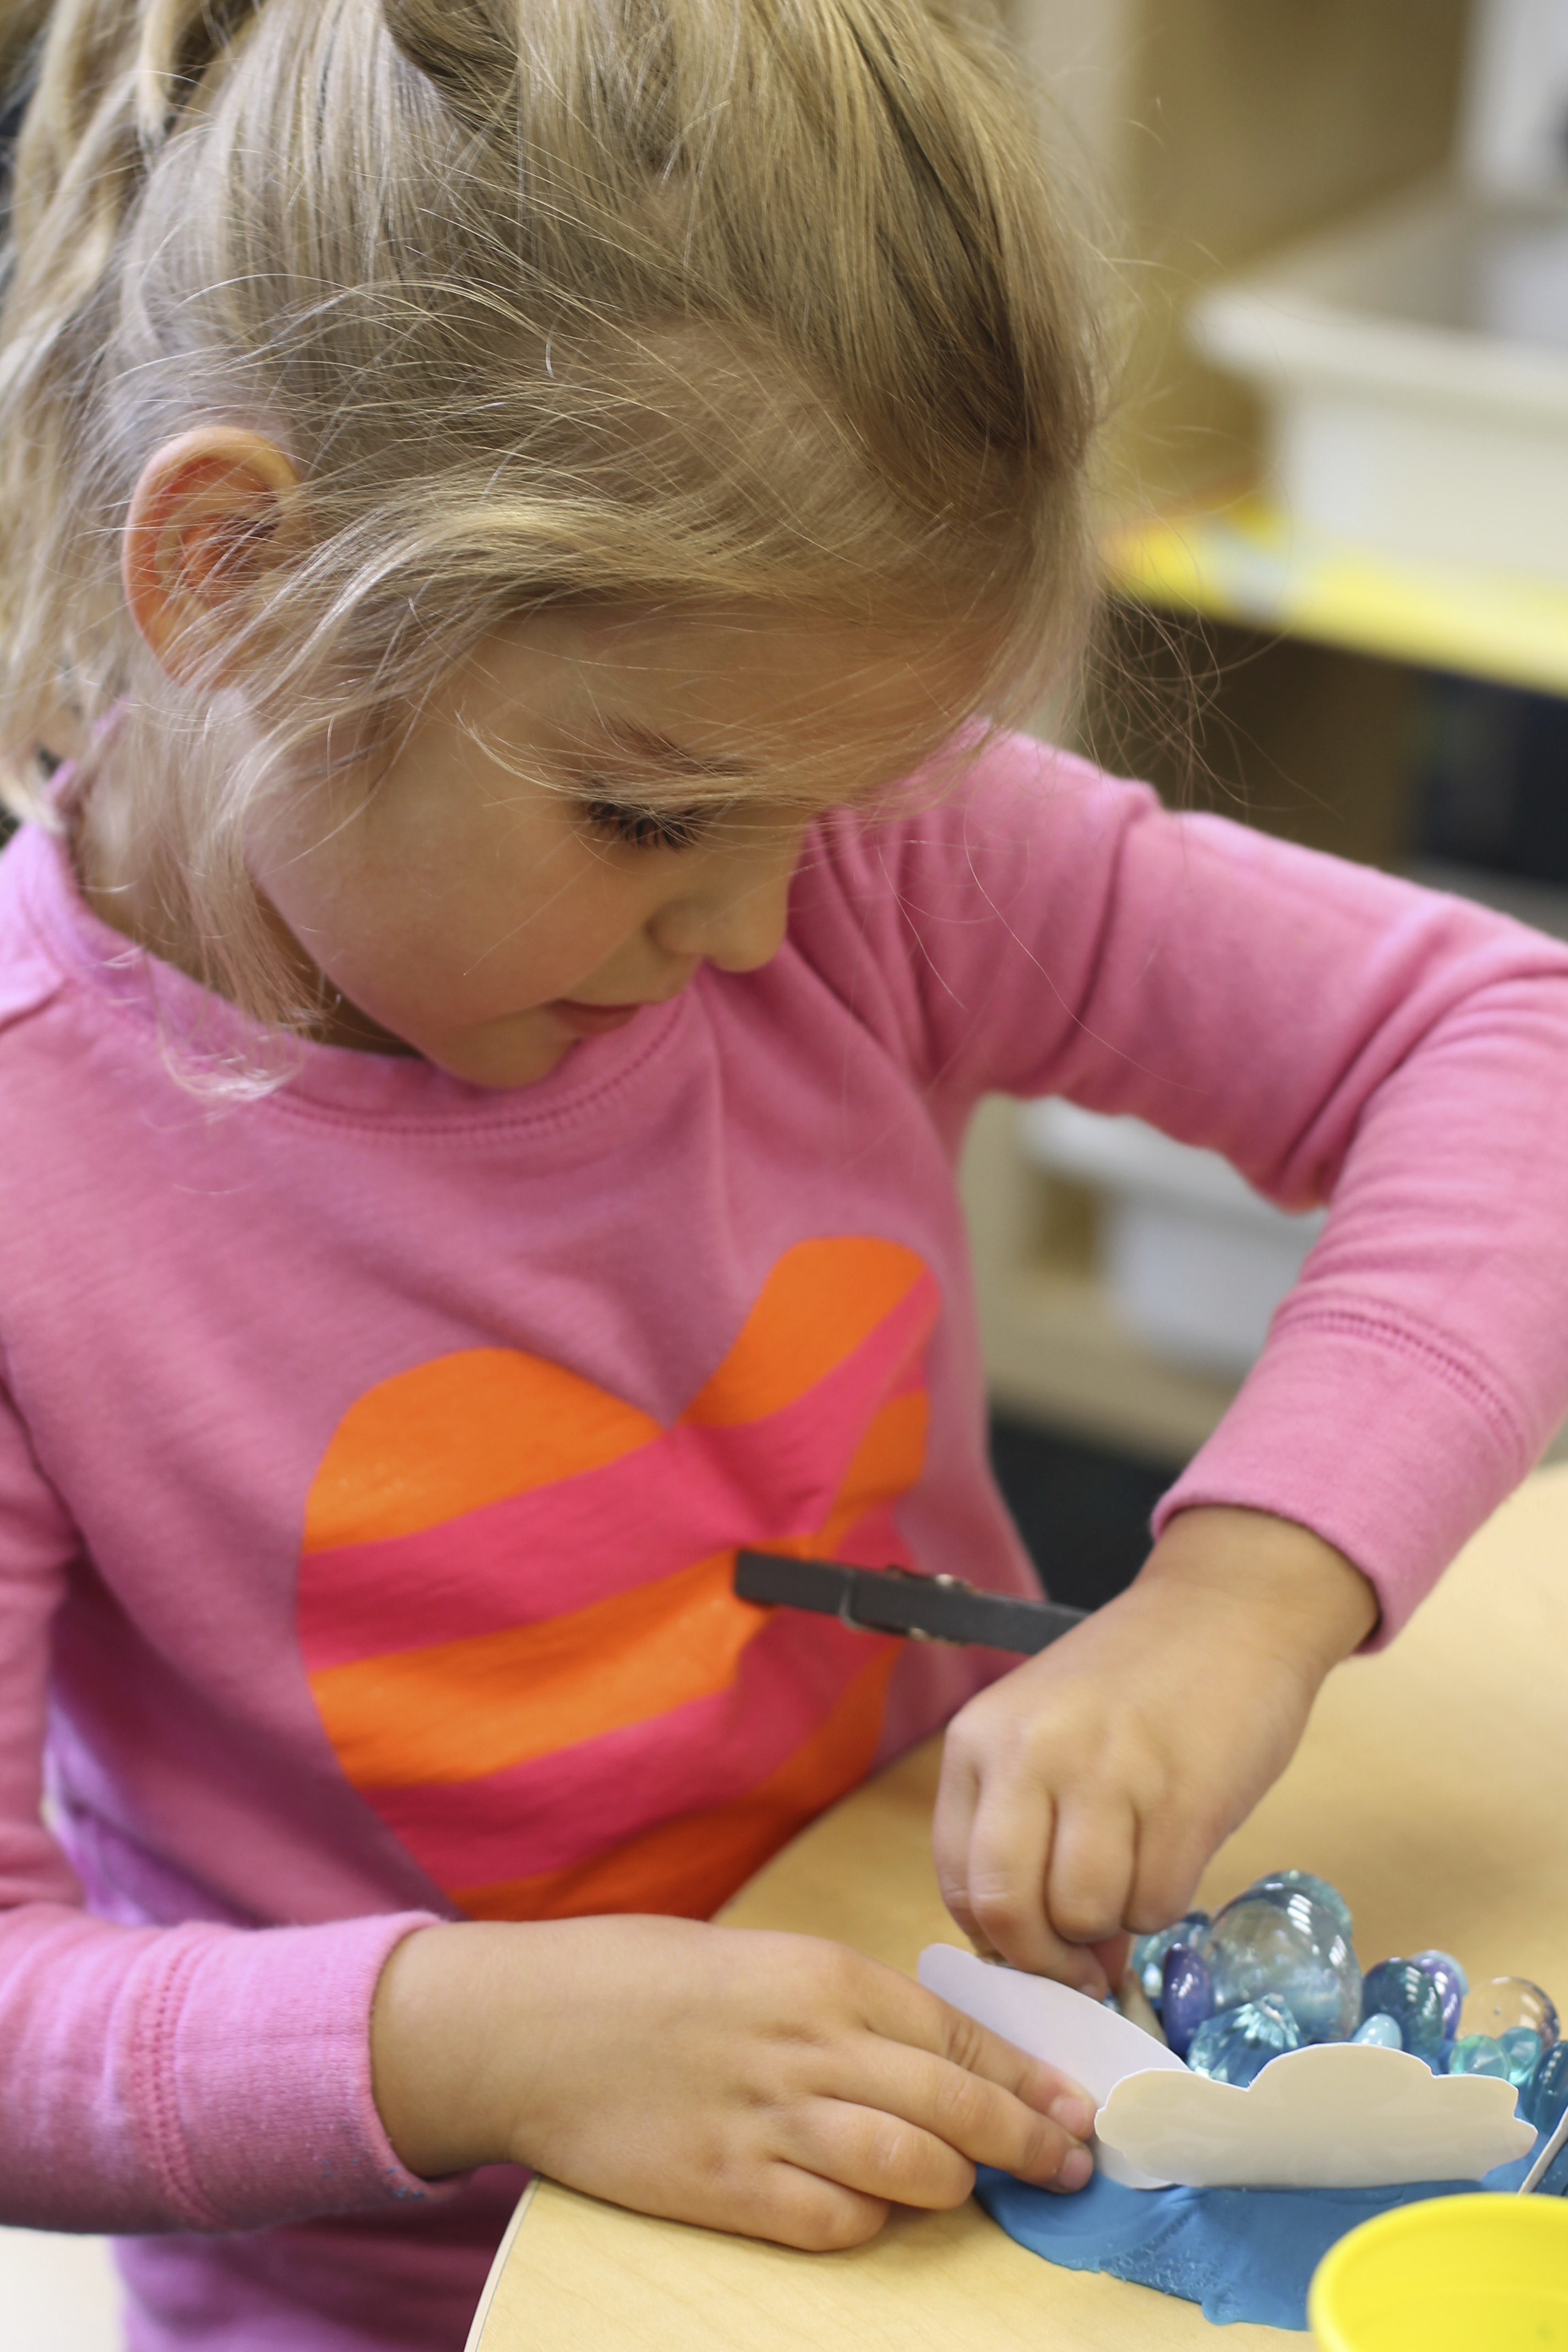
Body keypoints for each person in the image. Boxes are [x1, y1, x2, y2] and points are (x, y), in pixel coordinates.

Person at [0, 0, 1565, 2344]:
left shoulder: (847, 851)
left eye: (821, 808)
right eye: (649, 818)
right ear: (230, 576)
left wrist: (1244, 1597)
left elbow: (1507, 1039)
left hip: (963, 2157)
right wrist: (473, 2043)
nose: (752, 926)